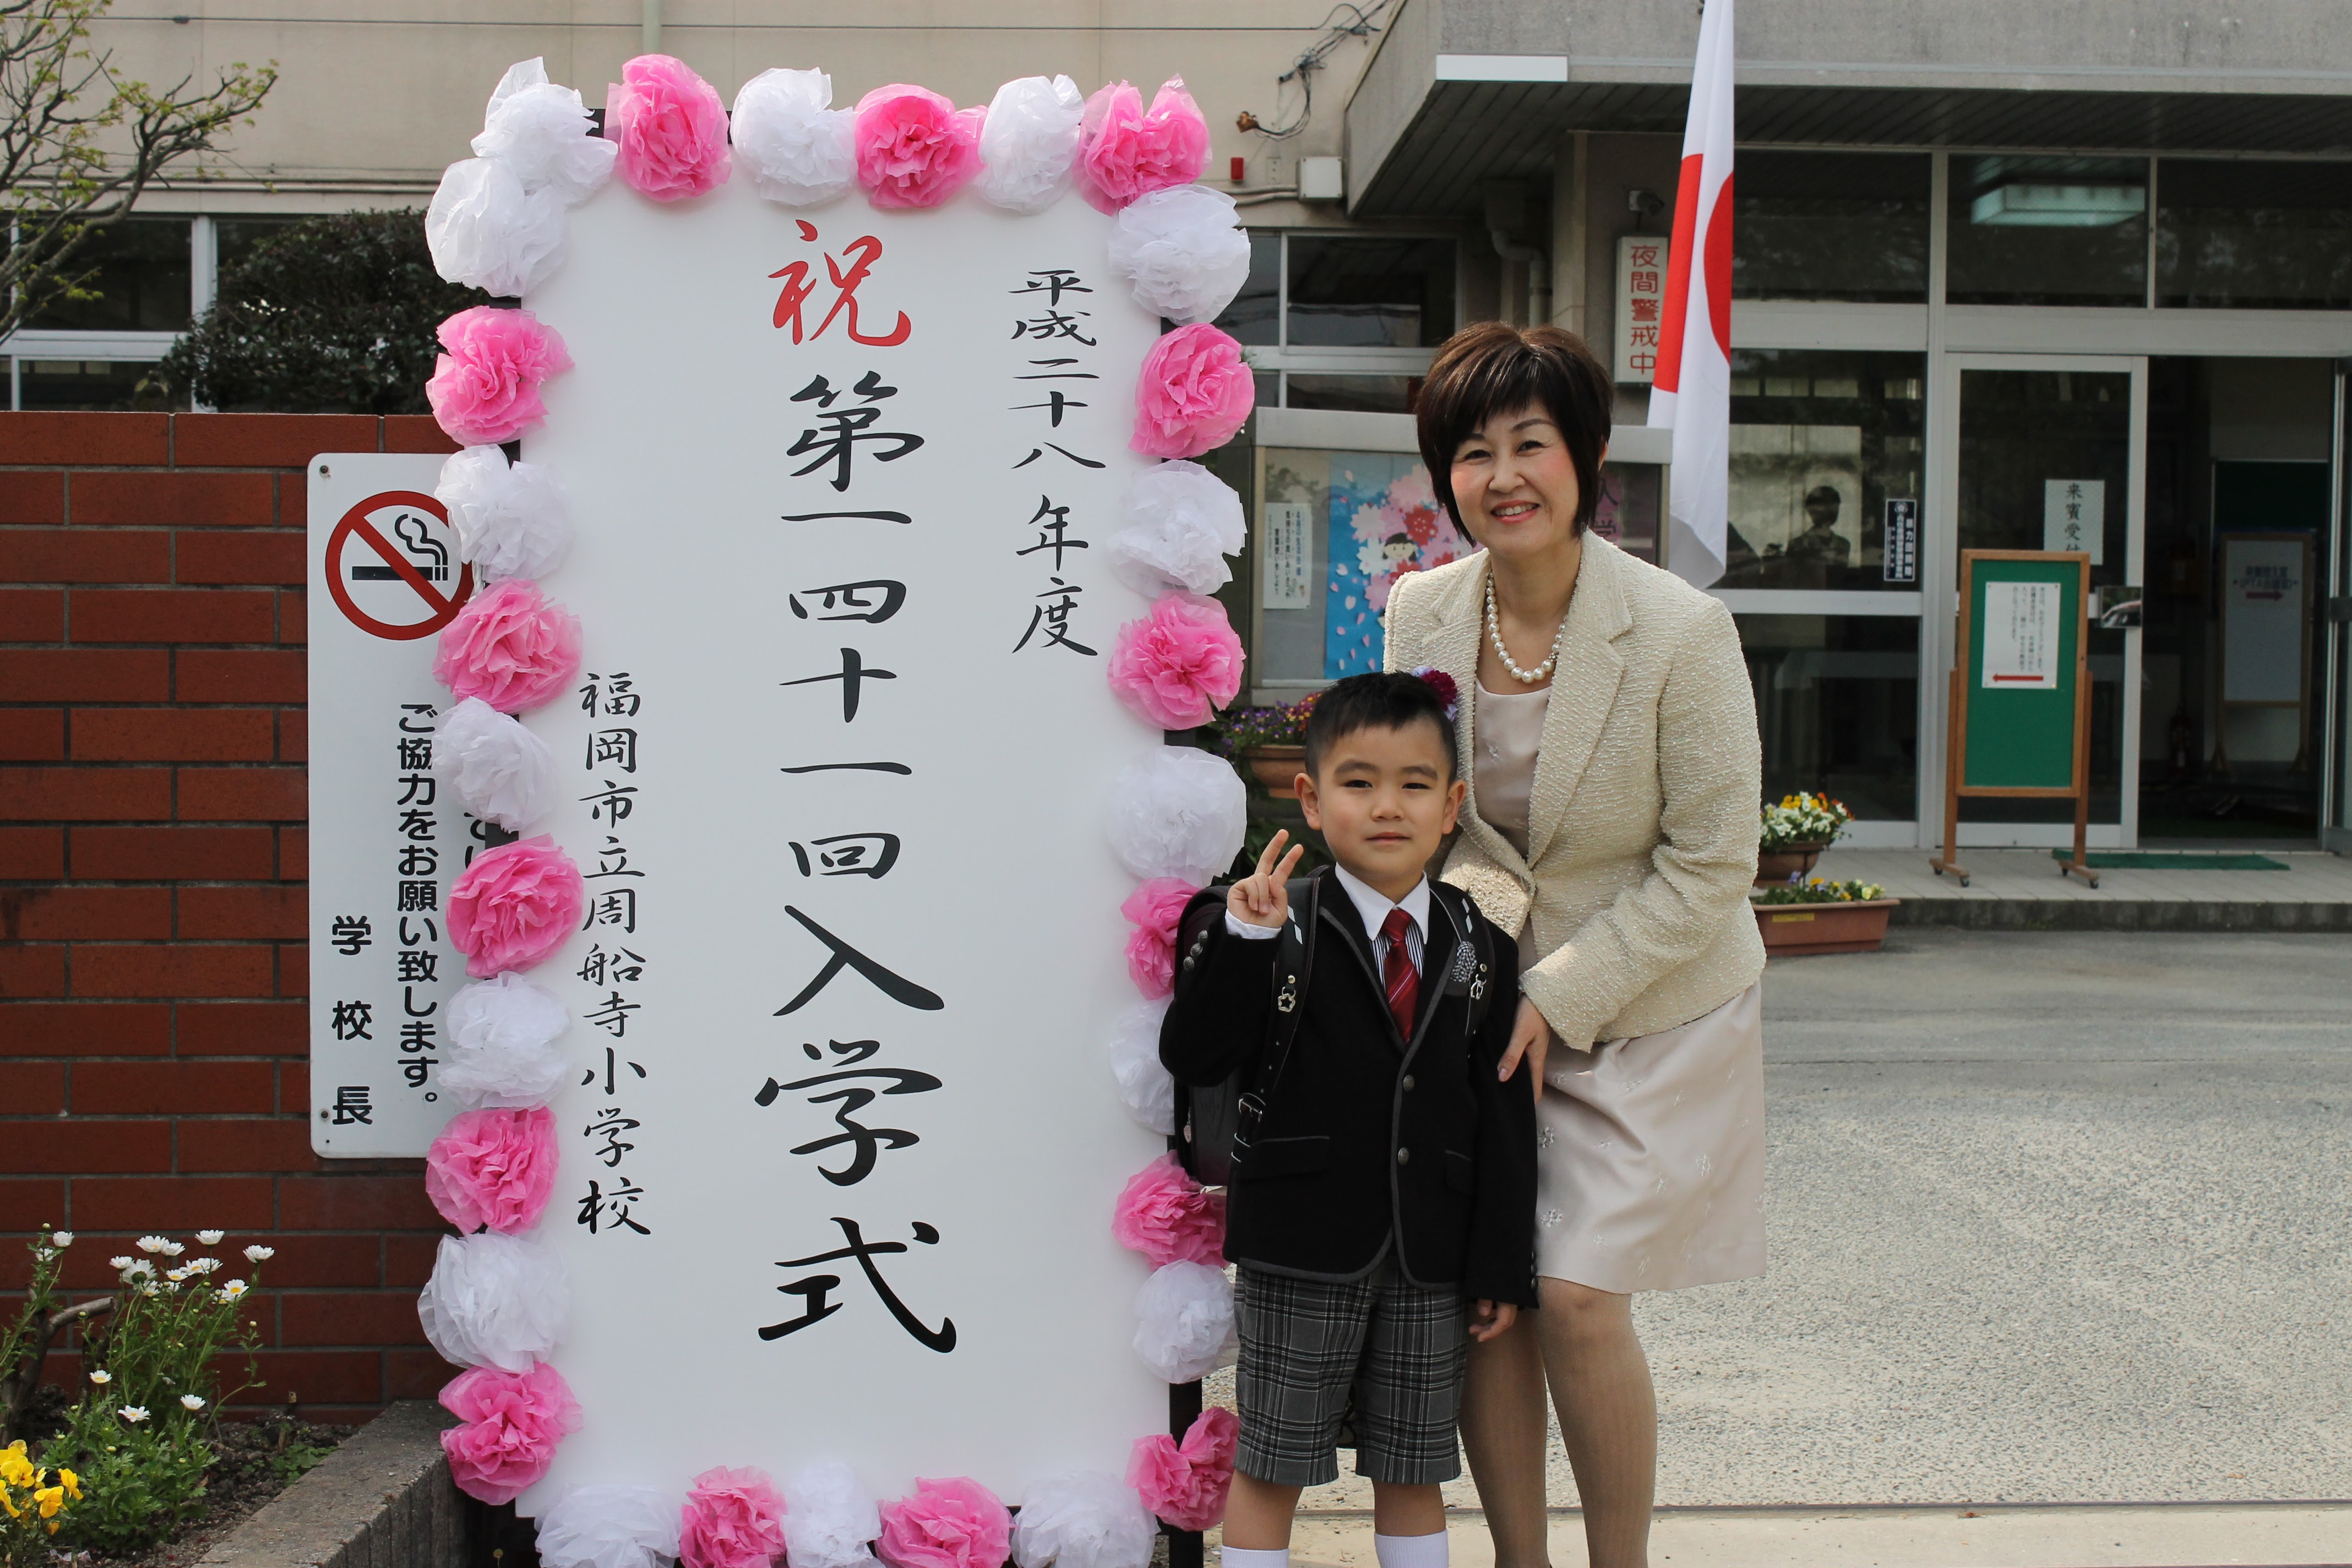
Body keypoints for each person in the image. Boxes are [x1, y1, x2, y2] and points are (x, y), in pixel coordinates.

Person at [1382, 320, 1766, 1568]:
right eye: (1474, 451)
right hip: (1493, 1007)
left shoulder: (1679, 630)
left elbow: (1713, 861)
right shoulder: (1423, 611)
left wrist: (1566, 985)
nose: (1504, 475)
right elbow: (1434, 817)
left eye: (1531, 444)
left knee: (1584, 1297)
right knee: (1494, 1303)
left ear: (1587, 457)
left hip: (1654, 999)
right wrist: (1484, 967)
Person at [1159, 671, 1539, 1568]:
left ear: (1451, 807)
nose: (1387, 807)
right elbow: (1195, 1054)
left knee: (1413, 1467)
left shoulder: (1478, 939)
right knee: (1274, 1462)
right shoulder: (1272, 922)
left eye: (1414, 785)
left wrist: (1499, 1262)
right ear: (1311, 797)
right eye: (1359, 782)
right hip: (1301, 1244)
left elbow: (1501, 1112)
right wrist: (1246, 944)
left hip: (1430, 1254)